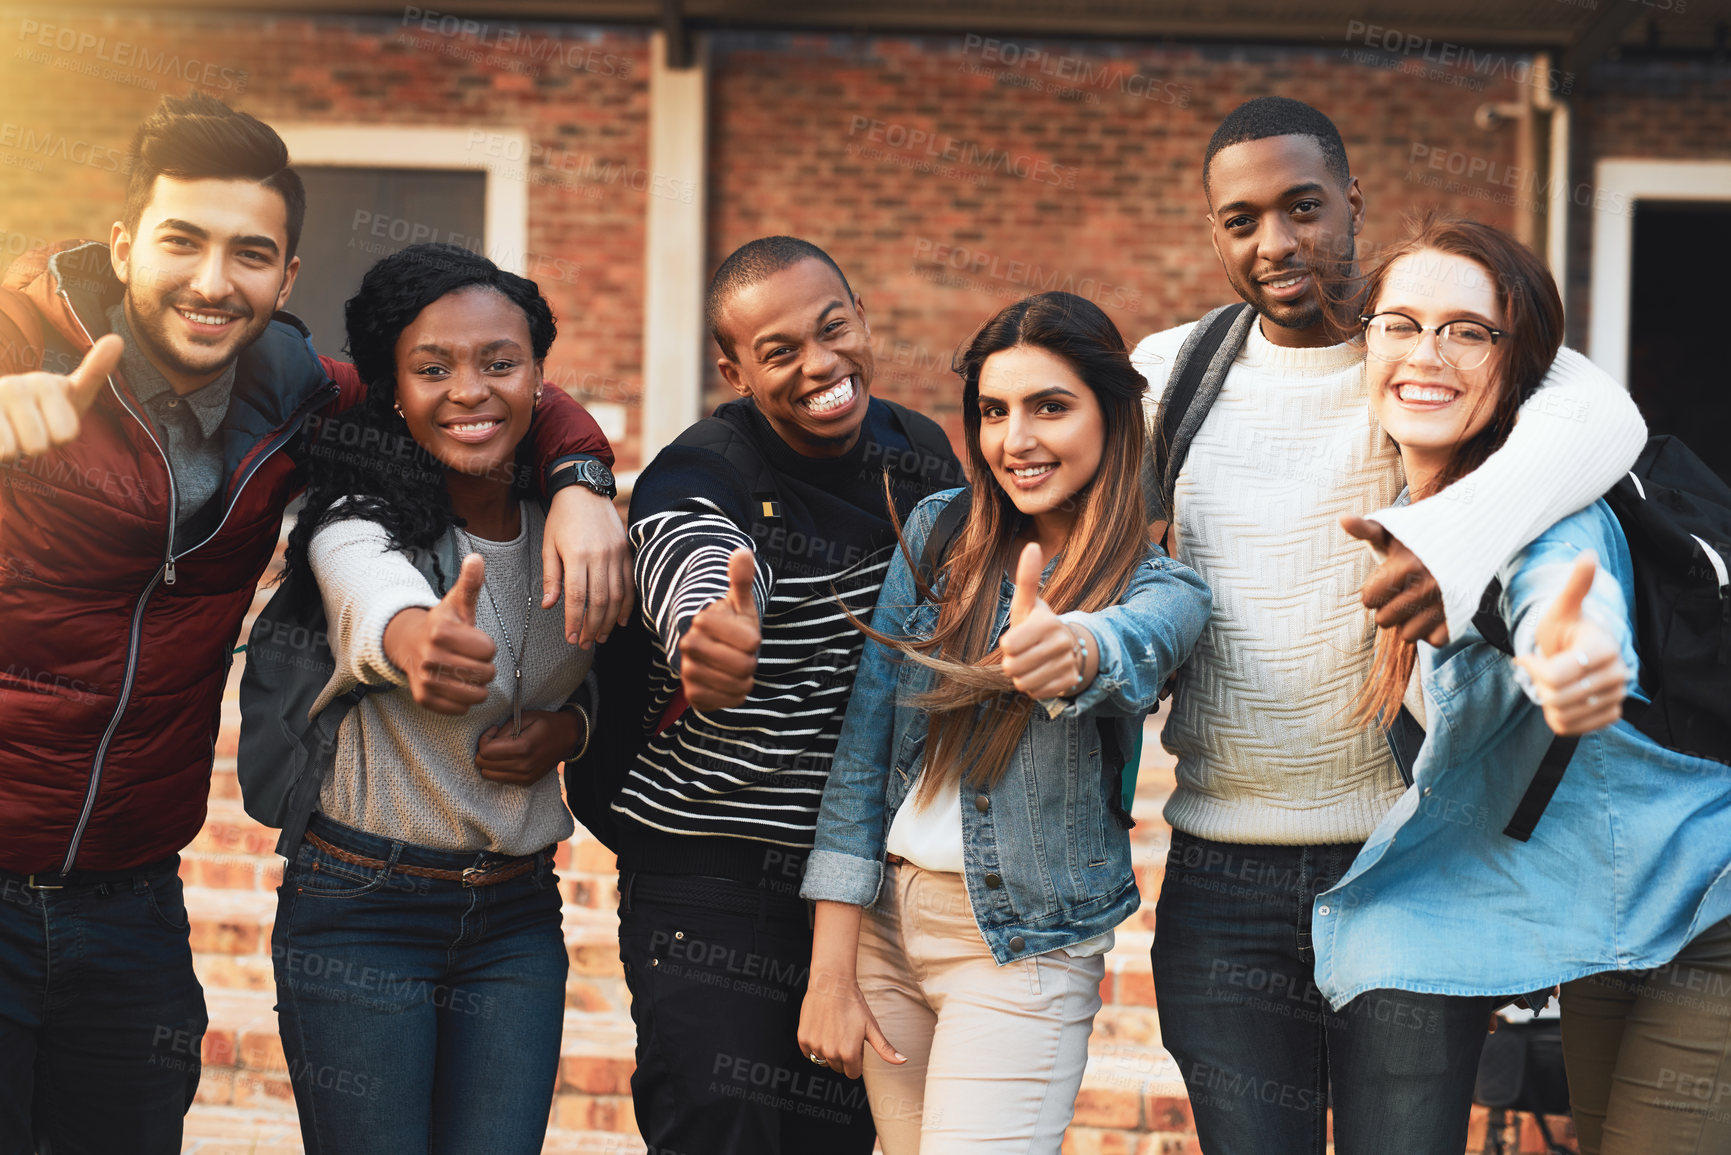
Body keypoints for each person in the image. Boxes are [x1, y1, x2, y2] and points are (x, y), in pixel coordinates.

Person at [0, 93, 626, 1154]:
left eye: (250, 254)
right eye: (181, 241)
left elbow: (471, 381)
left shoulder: (292, 387)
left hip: (129, 892)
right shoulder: (20, 341)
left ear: (287, 277)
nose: (212, 281)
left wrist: (576, 474)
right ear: (122, 245)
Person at [1136, 96, 1649, 1154]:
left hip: (1407, 856)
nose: (1277, 242)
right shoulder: (1167, 377)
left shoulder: (1429, 356)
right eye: (1242, 220)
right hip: (1219, 871)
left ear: (1352, 201)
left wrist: (1453, 549)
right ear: (1214, 231)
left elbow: (1609, 419)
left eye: (1304, 207)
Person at [1310, 213, 1731, 1155]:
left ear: (1519, 362)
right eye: (1401, 323)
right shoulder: (1404, 499)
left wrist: (1571, 659)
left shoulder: (1547, 510)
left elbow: (1564, 601)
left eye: (1468, 329)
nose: (1428, 353)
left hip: (1709, 906)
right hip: (1609, 920)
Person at [796, 291, 1211, 1152]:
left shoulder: (1159, 581)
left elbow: (1132, 647)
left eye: (1049, 407)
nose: (1015, 439)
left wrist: (1072, 649)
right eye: (993, 411)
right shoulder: (938, 532)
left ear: (1113, 414)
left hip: (1019, 944)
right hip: (882, 927)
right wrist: (830, 970)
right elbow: (862, 754)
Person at [606, 236, 963, 1154]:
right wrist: (706, 634)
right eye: (778, 351)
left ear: (861, 319)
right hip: (708, 876)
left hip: (858, 887)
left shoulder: (917, 455)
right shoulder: (702, 469)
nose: (820, 365)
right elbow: (690, 557)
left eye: (832, 328)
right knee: (719, 1127)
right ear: (734, 368)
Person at [267, 242, 589, 1154]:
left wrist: (573, 725)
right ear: (394, 390)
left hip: (516, 920)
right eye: (432, 368)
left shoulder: (575, 530)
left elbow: (608, 679)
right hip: (362, 908)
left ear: (538, 377)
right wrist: (420, 643)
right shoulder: (353, 520)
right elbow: (372, 598)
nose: (471, 390)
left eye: (500, 362)